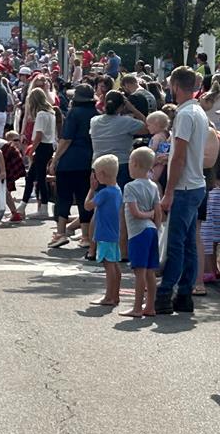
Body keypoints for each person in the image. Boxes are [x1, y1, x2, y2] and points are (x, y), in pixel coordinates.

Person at [156, 66, 210, 315]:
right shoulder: (198, 110)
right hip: (196, 183)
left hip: (185, 186)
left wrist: (169, 191)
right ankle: (184, 294)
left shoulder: (185, 114)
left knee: (177, 244)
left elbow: (178, 156)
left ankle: (165, 293)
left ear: (176, 86)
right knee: (188, 242)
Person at [49, 84, 99, 250]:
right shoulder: (96, 114)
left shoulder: (73, 114)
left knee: (63, 197)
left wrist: (55, 159)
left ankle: (61, 233)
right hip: (88, 160)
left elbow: (66, 139)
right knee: (84, 197)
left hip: (69, 161)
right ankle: (85, 236)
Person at [119, 147, 162, 317]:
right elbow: (158, 211)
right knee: (150, 271)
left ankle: (137, 307)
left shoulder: (130, 187)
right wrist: (156, 226)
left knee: (139, 272)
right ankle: (150, 306)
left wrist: (148, 214)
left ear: (135, 164)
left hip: (138, 232)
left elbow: (135, 212)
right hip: (151, 231)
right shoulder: (153, 186)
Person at [84, 154, 123, 307]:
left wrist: (91, 189)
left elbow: (88, 206)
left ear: (102, 174)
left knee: (108, 265)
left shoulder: (105, 192)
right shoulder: (117, 190)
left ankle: (109, 296)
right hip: (113, 232)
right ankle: (116, 295)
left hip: (104, 233)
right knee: (114, 264)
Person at [89, 90, 149, 187]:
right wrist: (133, 109)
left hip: (98, 165)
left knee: (101, 199)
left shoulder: (94, 121)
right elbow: (149, 127)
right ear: (122, 106)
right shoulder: (127, 122)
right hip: (120, 165)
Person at [20, 87, 57, 218]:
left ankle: (43, 208)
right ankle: (23, 206)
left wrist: (31, 151)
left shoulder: (41, 114)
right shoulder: (51, 113)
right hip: (48, 146)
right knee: (33, 177)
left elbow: (39, 135)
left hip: (41, 146)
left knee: (39, 178)